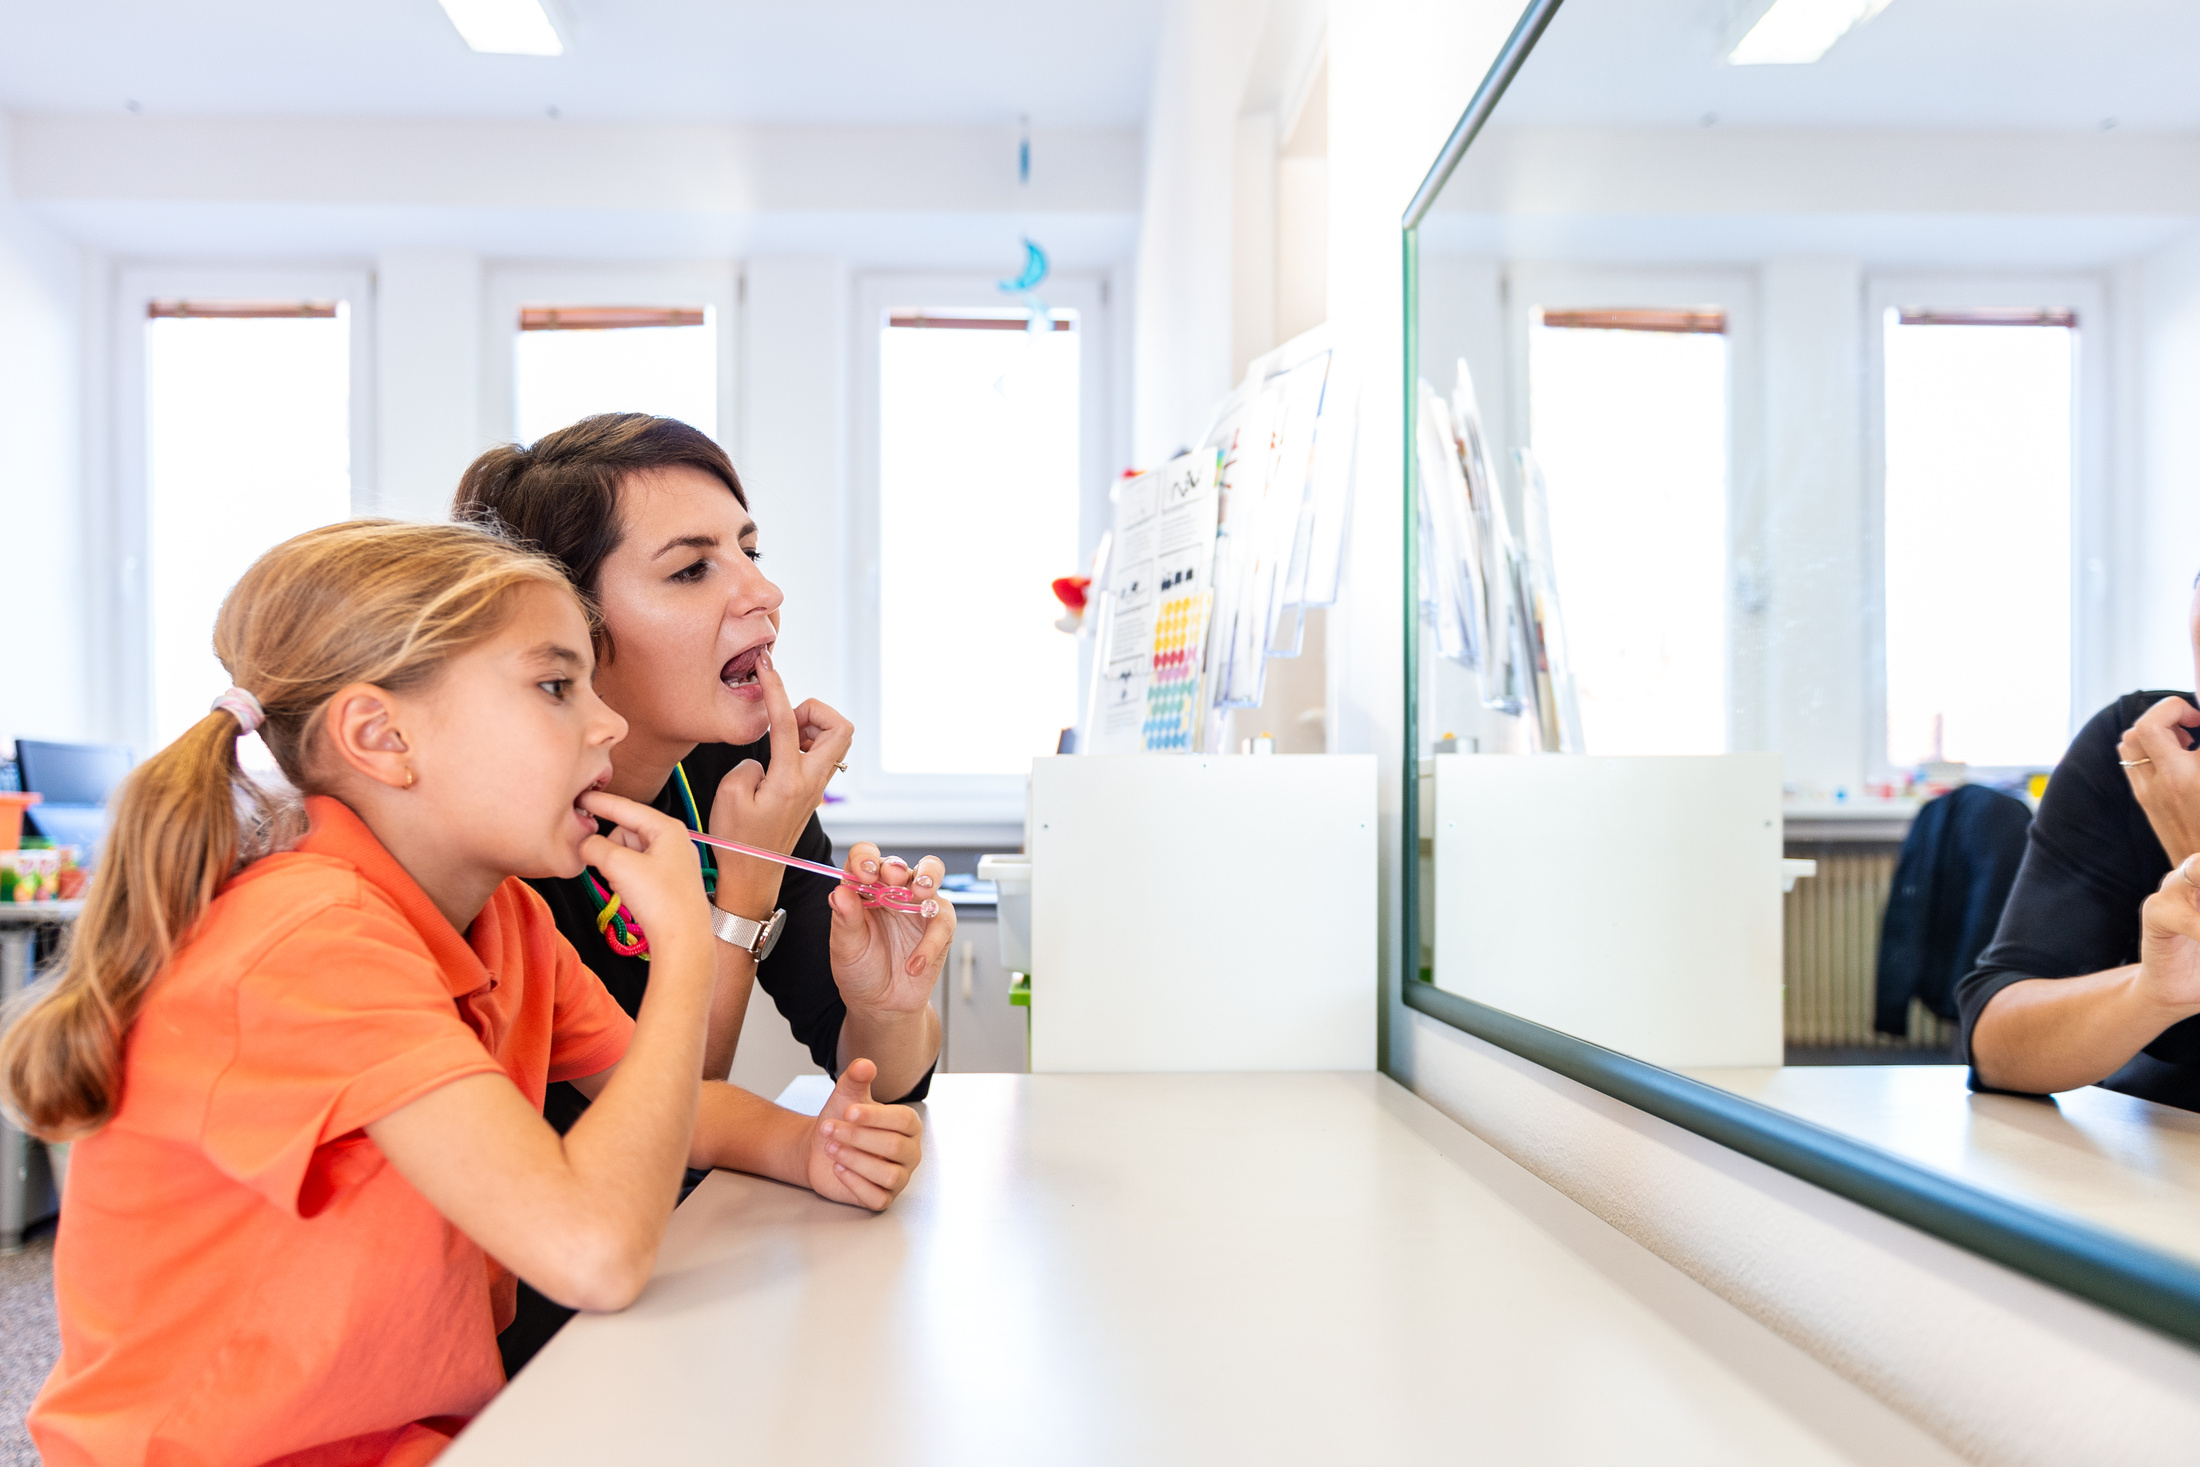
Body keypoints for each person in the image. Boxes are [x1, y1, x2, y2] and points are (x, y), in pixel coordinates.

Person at [1, 521, 922, 1467]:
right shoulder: (312, 937)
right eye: (556, 686)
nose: (606, 723)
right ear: (382, 736)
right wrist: (689, 943)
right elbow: (593, 1252)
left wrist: (808, 1145)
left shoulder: (508, 916)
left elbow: (667, 1100)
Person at [451, 413, 954, 1369]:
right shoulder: (504, 834)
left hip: (655, 1277)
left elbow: (882, 1086)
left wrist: (888, 1006)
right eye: (693, 569)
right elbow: (658, 1127)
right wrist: (745, 888)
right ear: (564, 629)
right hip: (543, 1316)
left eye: (750, 550)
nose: (763, 594)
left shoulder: (731, 772)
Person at [1960, 584, 2200, 1108]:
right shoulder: (2153, 751)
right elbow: (1996, 1044)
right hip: (2146, 1159)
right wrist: (2152, 993)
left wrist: (2195, 850)